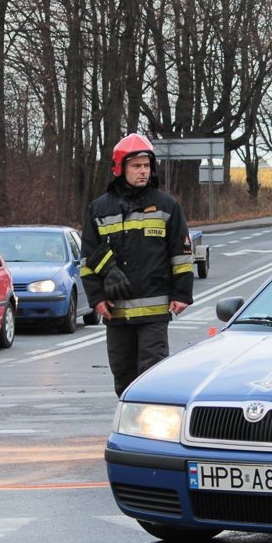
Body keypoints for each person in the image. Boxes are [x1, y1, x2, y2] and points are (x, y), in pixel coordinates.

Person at [80, 134, 195, 397]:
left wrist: (181, 294)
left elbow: (181, 254)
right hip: (116, 312)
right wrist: (96, 299)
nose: (143, 171)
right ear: (120, 168)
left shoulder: (167, 206)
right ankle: (129, 422)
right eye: (136, 166)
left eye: (146, 166)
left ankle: (150, 428)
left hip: (154, 312)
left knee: (151, 373)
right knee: (122, 373)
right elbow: (87, 261)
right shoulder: (98, 209)